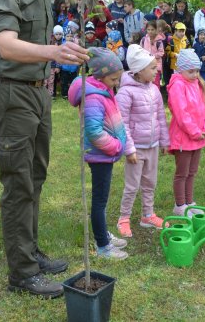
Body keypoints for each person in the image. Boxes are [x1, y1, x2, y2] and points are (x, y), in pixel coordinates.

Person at [0, 0, 89, 297]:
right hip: (10, 94)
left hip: (37, 94)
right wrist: (54, 53)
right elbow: (8, 46)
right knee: (18, 183)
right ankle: (22, 273)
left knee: (36, 177)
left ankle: (29, 250)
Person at [68, 47, 128, 259]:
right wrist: (116, 146)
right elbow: (93, 131)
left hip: (106, 154)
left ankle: (104, 234)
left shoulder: (103, 90)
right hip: (101, 155)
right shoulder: (94, 97)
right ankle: (103, 246)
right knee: (100, 201)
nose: (117, 83)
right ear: (100, 76)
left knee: (102, 199)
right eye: (113, 79)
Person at [115, 45, 170, 238]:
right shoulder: (125, 93)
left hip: (152, 146)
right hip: (136, 149)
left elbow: (161, 117)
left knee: (150, 183)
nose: (157, 71)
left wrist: (164, 141)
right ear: (139, 70)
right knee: (132, 185)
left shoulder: (154, 89)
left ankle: (147, 215)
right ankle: (124, 218)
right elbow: (123, 125)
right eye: (153, 68)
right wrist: (129, 149)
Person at [167, 49, 205, 217]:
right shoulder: (177, 85)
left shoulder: (199, 84)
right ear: (180, 69)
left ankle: (189, 202)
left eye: (197, 71)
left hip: (199, 136)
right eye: (191, 71)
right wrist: (194, 132)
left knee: (192, 172)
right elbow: (181, 113)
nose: (195, 74)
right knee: (182, 173)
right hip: (183, 138)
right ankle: (180, 205)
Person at [140, 20, 164, 88]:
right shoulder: (144, 40)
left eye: (152, 29)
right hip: (145, 65)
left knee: (155, 83)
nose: (150, 31)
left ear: (156, 30)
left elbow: (161, 53)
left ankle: (156, 96)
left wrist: (152, 56)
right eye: (148, 29)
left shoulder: (159, 41)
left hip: (156, 66)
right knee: (146, 82)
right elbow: (140, 50)